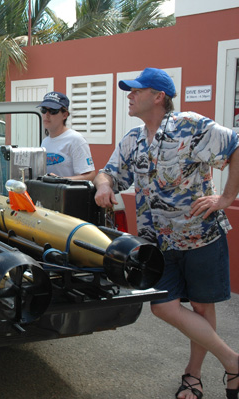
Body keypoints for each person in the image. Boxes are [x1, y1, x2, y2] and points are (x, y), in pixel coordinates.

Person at [94, 67, 239, 399]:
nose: (129, 96)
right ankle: (232, 360)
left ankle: (194, 375)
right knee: (162, 305)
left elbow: (235, 146)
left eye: (136, 91)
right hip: (156, 242)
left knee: (202, 308)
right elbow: (109, 173)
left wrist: (227, 198)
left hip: (201, 235)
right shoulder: (132, 139)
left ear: (158, 97)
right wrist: (103, 186)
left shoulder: (190, 126)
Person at [38, 91, 96, 181]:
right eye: (44, 110)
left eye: (53, 111)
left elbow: (90, 176)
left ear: (64, 115)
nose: (47, 115)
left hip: (69, 194)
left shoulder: (76, 140)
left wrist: (60, 180)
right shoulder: (45, 142)